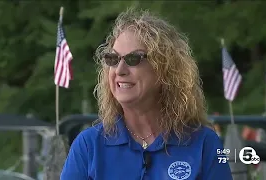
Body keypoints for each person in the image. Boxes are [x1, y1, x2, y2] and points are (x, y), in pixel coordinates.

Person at [60, 8, 233, 180]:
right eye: (112, 59)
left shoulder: (204, 144)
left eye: (133, 59)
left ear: (164, 69)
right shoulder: (89, 146)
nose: (119, 70)